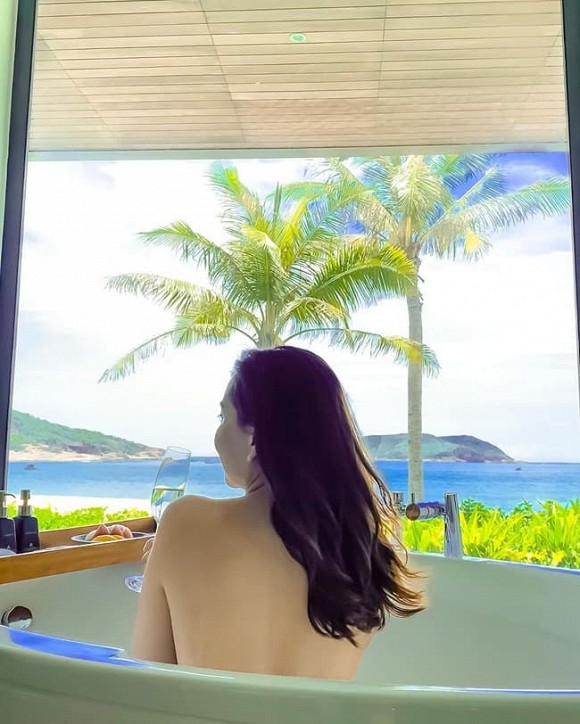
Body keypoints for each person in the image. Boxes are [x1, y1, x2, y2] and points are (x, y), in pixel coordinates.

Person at [131, 346, 423, 680]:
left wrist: (167, 562)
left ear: (254, 433)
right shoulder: (360, 553)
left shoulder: (186, 523)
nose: (218, 434)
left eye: (223, 417)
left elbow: (147, 681)